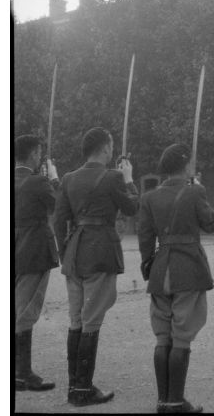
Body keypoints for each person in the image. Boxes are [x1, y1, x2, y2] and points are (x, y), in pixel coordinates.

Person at [53, 127, 139, 407]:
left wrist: (66, 253)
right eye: (111, 146)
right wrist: (129, 179)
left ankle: (74, 386)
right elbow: (132, 208)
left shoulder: (67, 179)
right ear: (104, 149)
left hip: (74, 254)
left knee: (76, 319)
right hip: (100, 251)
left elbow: (59, 221)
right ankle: (83, 389)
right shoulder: (113, 177)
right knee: (91, 320)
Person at [138, 144, 214, 414]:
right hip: (188, 268)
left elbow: (145, 237)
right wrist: (200, 192)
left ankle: (163, 401)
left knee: (163, 336)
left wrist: (147, 263)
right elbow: (211, 224)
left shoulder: (149, 197)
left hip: (161, 270)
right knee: (181, 337)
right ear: (185, 165)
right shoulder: (196, 191)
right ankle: (174, 402)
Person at [15, 135, 60, 392]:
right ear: (34, 155)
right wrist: (52, 176)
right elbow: (59, 204)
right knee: (26, 311)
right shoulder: (38, 181)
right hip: (32, 250)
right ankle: (22, 373)